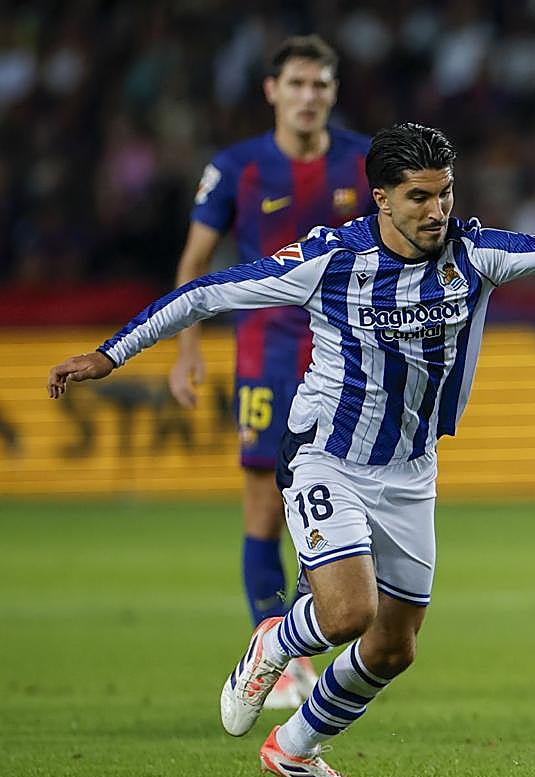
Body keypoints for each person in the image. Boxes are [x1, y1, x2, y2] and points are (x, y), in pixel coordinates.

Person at [49, 122, 535, 777]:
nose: (438, 210)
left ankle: (294, 748)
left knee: (394, 647)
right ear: (382, 199)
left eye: (445, 193)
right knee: (346, 613)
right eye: (419, 196)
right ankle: (274, 642)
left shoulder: (473, 254)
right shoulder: (331, 259)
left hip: (411, 471)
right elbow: (208, 293)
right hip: (327, 457)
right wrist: (111, 354)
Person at [168, 35, 374, 710]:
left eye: (320, 85)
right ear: (271, 91)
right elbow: (194, 264)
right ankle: (280, 658)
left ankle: (304, 636)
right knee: (263, 506)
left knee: (345, 504)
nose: (308, 97)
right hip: (266, 354)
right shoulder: (236, 168)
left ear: (334, 92)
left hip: (349, 357)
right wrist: (188, 350)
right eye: (296, 84)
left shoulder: (366, 162)